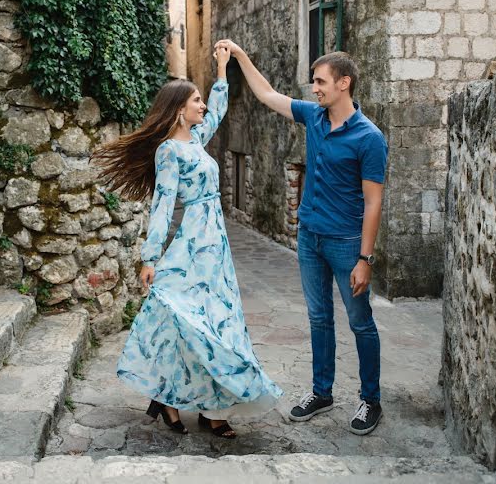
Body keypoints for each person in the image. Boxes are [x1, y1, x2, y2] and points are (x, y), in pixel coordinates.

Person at [93, 46, 283, 439]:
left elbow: (219, 108)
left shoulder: (197, 137)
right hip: (194, 242)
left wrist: (221, 69)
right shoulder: (169, 151)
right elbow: (163, 205)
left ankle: (208, 409)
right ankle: (176, 400)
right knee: (189, 320)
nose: (201, 105)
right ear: (179, 108)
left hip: (217, 246)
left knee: (219, 320)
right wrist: (150, 258)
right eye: (194, 100)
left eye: (200, 98)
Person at [214, 40, 387, 436]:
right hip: (309, 237)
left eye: (321, 82)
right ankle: (321, 392)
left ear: (345, 83)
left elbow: (374, 202)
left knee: (361, 323)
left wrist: (365, 258)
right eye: (313, 82)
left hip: (347, 243)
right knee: (318, 318)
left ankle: (370, 399)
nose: (314, 88)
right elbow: (268, 94)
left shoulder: (369, 137)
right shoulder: (314, 117)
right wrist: (241, 56)